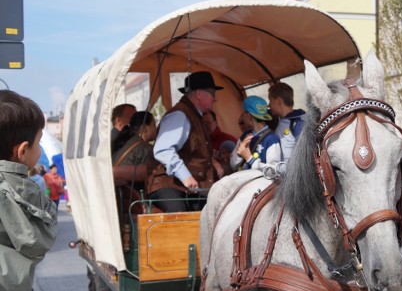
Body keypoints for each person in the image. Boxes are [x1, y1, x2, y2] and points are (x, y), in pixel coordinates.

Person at [0, 90, 57, 291]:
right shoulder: (19, 190)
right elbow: (39, 238)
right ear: (23, 151)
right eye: (38, 143)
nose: (41, 151)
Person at [147, 71, 222, 213]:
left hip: (186, 188)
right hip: (169, 185)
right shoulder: (180, 116)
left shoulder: (195, 116)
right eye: (212, 93)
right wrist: (185, 176)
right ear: (199, 94)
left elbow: (195, 149)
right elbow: (163, 150)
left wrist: (213, 162)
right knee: (181, 219)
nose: (215, 99)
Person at [230, 96, 282, 171]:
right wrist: (239, 153)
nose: (242, 118)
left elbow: (273, 171)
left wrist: (250, 158)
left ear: (249, 115)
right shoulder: (244, 136)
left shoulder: (272, 139)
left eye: (243, 113)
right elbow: (233, 165)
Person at [112, 111, 157, 189]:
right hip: (132, 194)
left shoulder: (125, 143)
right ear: (144, 128)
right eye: (153, 125)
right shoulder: (146, 149)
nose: (155, 128)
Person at [268, 82, 306, 162]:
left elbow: (305, 153)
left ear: (278, 101)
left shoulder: (299, 122)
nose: (269, 105)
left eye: (270, 100)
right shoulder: (280, 120)